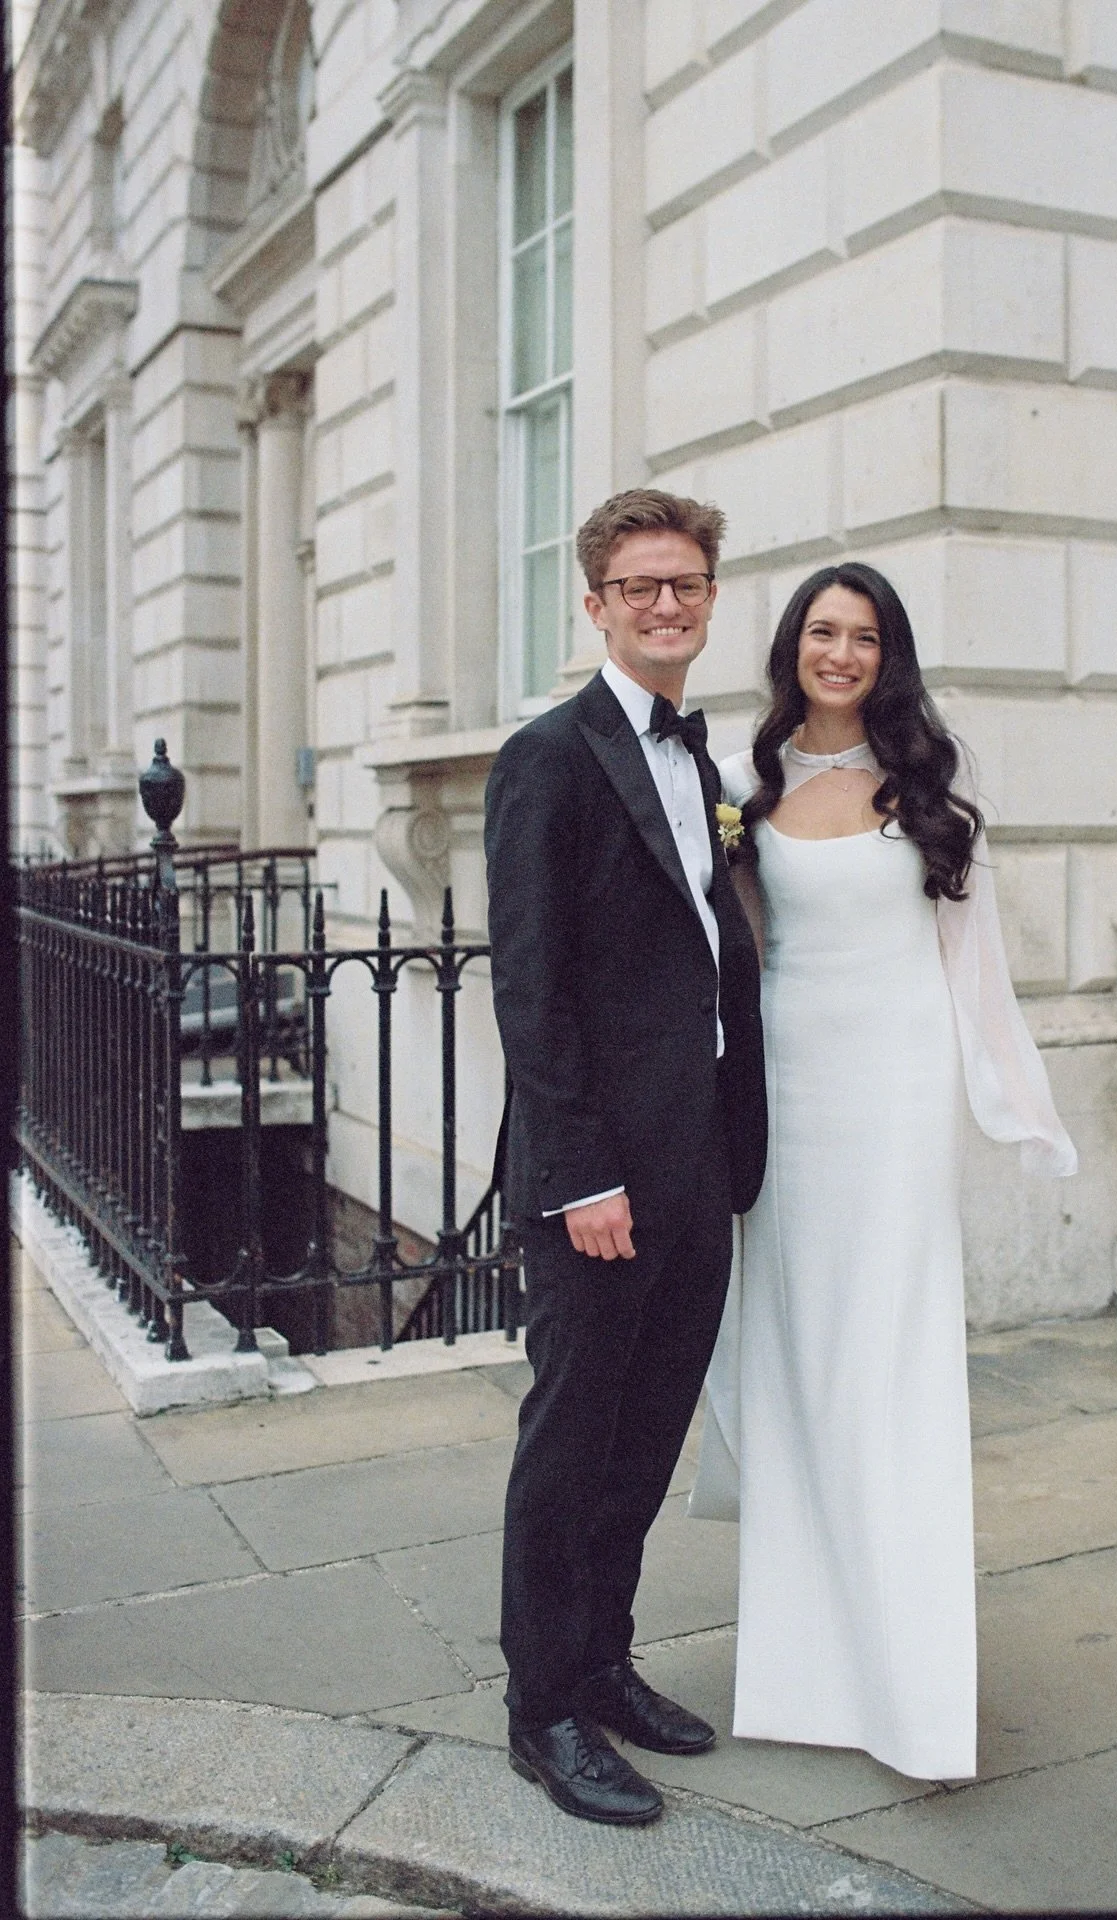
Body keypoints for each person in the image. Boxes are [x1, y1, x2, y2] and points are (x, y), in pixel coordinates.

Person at [689, 560, 1076, 1782]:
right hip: (784, 1106)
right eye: (821, 631)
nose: (841, 653)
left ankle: (911, 1694)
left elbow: (975, 967)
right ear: (792, 648)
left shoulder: (927, 790)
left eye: (863, 636)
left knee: (889, 1370)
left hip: (895, 1107)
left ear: (886, 654)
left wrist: (1018, 1107)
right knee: (795, 1363)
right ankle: (806, 1676)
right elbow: (731, 956)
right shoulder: (744, 786)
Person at [484, 488, 767, 1826]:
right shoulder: (548, 758)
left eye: (691, 585)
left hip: (698, 1163)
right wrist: (580, 1172)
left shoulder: (701, 765)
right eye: (644, 586)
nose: (670, 605)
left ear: (711, 598)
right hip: (598, 1183)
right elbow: (532, 994)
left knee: (646, 1436)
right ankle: (541, 1709)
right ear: (593, 604)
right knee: (572, 1442)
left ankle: (604, 1664)